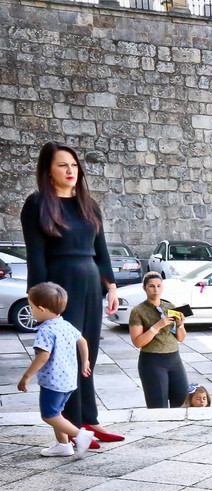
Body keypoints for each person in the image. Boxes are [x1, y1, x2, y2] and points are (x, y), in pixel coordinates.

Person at [21, 142, 123, 444]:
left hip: (90, 282)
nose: (70, 171)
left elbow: (101, 250)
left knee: (87, 352)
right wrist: (38, 299)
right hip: (59, 285)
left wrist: (111, 286)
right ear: (48, 171)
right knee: (64, 358)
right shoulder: (37, 204)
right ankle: (73, 425)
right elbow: (35, 256)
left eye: (74, 165)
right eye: (62, 165)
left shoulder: (88, 204)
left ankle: (90, 419)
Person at [17, 282, 95, 457]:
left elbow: (43, 356)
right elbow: (82, 342)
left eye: (32, 308)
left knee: (49, 415)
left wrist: (26, 376)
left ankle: (80, 435)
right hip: (68, 380)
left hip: (53, 382)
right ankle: (63, 445)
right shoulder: (65, 325)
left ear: (42, 309)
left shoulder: (45, 330)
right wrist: (85, 362)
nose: (31, 311)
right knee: (57, 412)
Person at [128, 271, 190, 409]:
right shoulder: (138, 311)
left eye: (159, 286)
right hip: (152, 361)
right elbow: (138, 342)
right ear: (144, 288)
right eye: (151, 286)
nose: (156, 290)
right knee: (158, 407)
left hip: (174, 359)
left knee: (182, 402)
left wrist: (180, 325)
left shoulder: (169, 307)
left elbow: (181, 338)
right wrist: (157, 326)